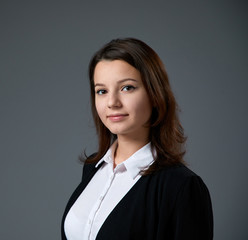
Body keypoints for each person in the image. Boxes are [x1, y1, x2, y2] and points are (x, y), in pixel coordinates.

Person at [61, 38, 213, 240]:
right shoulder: (93, 167)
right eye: (102, 91)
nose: (112, 102)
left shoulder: (182, 187)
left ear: (154, 93)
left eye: (127, 88)